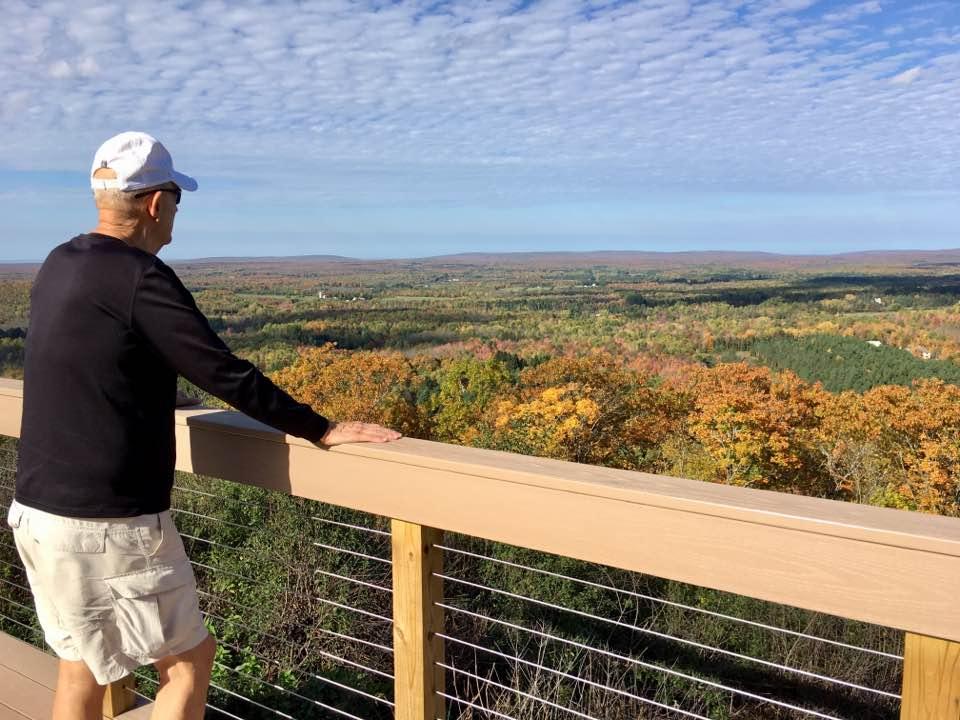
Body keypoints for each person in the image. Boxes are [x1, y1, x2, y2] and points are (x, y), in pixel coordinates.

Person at [7, 131, 401, 719]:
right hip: (111, 522)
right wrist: (319, 427)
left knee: (82, 666)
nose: (174, 219)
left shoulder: (60, 263)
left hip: (38, 514)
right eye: (177, 203)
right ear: (155, 203)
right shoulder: (140, 276)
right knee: (189, 664)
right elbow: (222, 371)